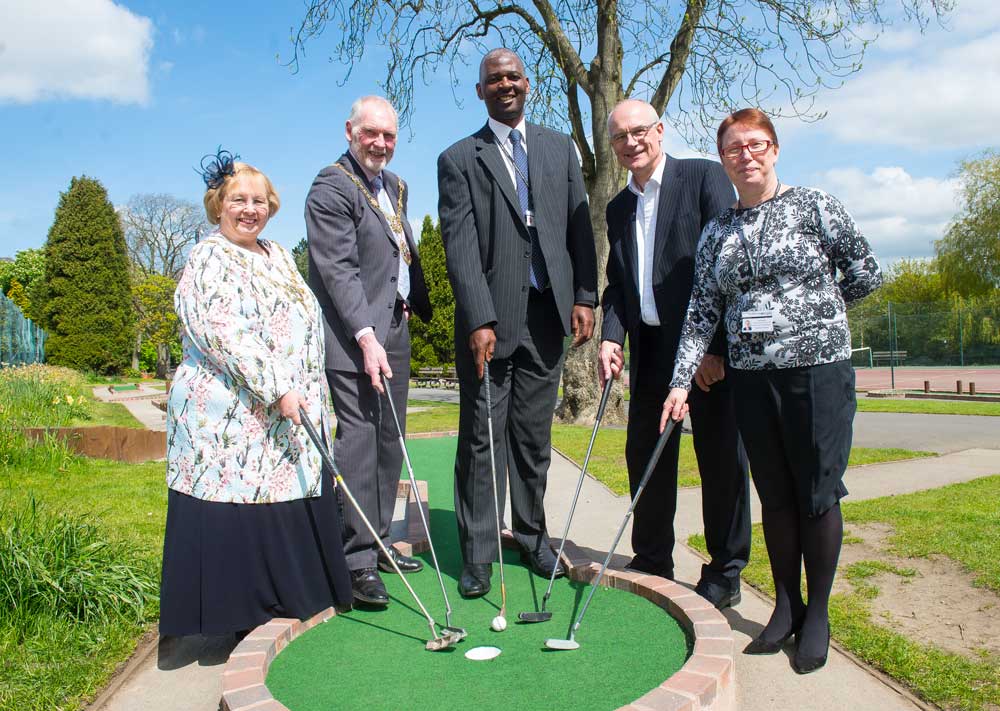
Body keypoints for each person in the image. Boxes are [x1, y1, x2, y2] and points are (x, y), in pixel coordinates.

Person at [662, 108, 882, 673]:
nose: (746, 155)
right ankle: (786, 605)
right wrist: (680, 380)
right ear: (723, 159)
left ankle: (819, 615)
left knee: (817, 492)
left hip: (818, 374)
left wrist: (814, 319)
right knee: (776, 495)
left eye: (757, 144)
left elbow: (863, 273)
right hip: (752, 381)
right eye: (734, 148)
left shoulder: (814, 206)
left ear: (775, 150)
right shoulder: (719, 232)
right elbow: (701, 312)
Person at [160, 151, 353, 636]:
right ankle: (238, 618)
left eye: (260, 200)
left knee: (284, 493)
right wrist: (279, 387)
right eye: (239, 200)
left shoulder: (278, 254)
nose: (251, 209)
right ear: (218, 204)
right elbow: (224, 332)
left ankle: (293, 599)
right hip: (233, 412)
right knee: (239, 500)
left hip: (287, 411)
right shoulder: (206, 257)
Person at [437, 48, 598, 598]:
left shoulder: (558, 149)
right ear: (480, 91)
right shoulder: (460, 158)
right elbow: (458, 246)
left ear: (527, 85)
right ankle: (478, 555)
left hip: (547, 318)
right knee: (482, 440)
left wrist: (585, 294)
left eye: (513, 76)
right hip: (490, 322)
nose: (505, 84)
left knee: (534, 439)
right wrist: (478, 316)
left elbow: (579, 229)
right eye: (494, 79)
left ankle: (533, 538)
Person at [598, 99, 751, 610]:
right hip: (649, 349)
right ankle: (653, 558)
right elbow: (617, 285)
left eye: (639, 131)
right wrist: (610, 337)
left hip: (706, 352)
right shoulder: (618, 208)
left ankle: (726, 568)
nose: (631, 142)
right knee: (646, 456)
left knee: (720, 459)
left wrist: (714, 349)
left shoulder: (704, 179)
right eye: (620, 136)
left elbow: (726, 269)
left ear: (659, 131)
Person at [306, 96, 431, 607]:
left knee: (388, 439)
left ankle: (379, 541)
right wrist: (364, 335)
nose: (380, 143)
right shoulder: (331, 186)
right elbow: (338, 270)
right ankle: (356, 561)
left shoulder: (395, 185)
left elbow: (396, 252)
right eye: (371, 133)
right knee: (358, 441)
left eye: (389, 135)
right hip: (353, 338)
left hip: (394, 330)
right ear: (349, 131)